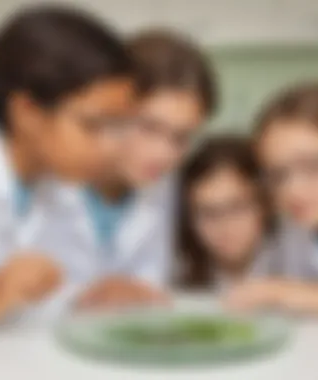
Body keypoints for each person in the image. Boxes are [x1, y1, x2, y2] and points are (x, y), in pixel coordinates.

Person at [35, 30, 217, 309]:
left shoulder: (162, 184)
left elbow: (150, 291)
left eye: (181, 137)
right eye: (149, 127)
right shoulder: (42, 178)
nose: (164, 154)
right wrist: (82, 296)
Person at [0, 6, 135, 321]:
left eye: (118, 125)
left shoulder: (49, 183)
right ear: (27, 113)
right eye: (92, 126)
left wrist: (93, 292)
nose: (111, 148)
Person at [226, 83, 318, 319]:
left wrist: (285, 292)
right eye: (278, 175)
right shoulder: (292, 229)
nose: (294, 190)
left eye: (313, 165)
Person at [176, 136, 272, 292]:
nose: (224, 225)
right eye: (208, 213)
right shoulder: (176, 271)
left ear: (264, 204)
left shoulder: (296, 259)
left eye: (236, 207)